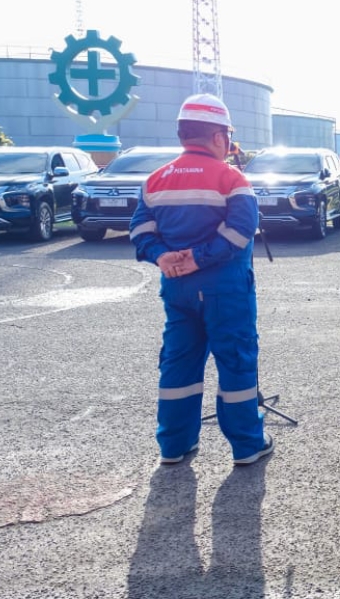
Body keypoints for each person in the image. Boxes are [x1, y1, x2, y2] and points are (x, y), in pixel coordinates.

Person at [130, 93, 273, 466]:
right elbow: (242, 231)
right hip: (225, 290)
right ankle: (247, 444)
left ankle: (174, 445)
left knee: (178, 364)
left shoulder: (155, 180)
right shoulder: (231, 178)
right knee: (236, 361)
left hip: (176, 290)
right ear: (218, 137)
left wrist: (163, 256)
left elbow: (140, 230)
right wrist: (198, 258)